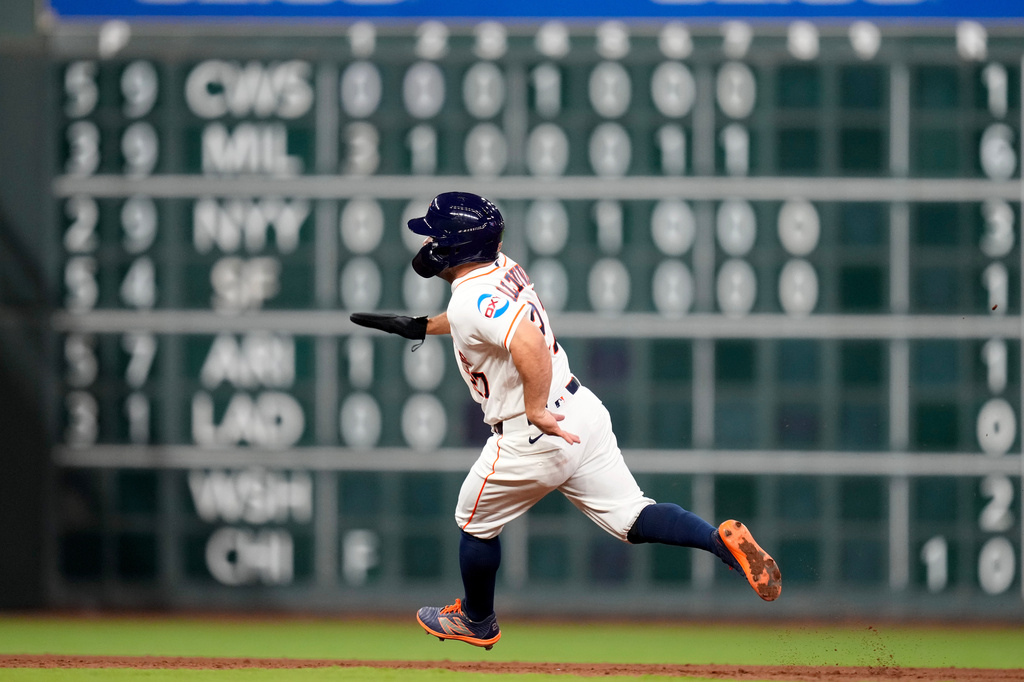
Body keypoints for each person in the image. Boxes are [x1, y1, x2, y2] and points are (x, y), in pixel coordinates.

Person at [350, 191, 781, 650]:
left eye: (436, 234)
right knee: (634, 515)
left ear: (455, 246)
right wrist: (422, 326)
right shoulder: (501, 267)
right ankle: (721, 543)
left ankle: (476, 620)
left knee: (473, 521)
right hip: (581, 412)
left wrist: (535, 410)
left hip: (532, 431)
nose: (429, 241)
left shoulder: (469, 299)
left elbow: (526, 342)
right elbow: (482, 319)